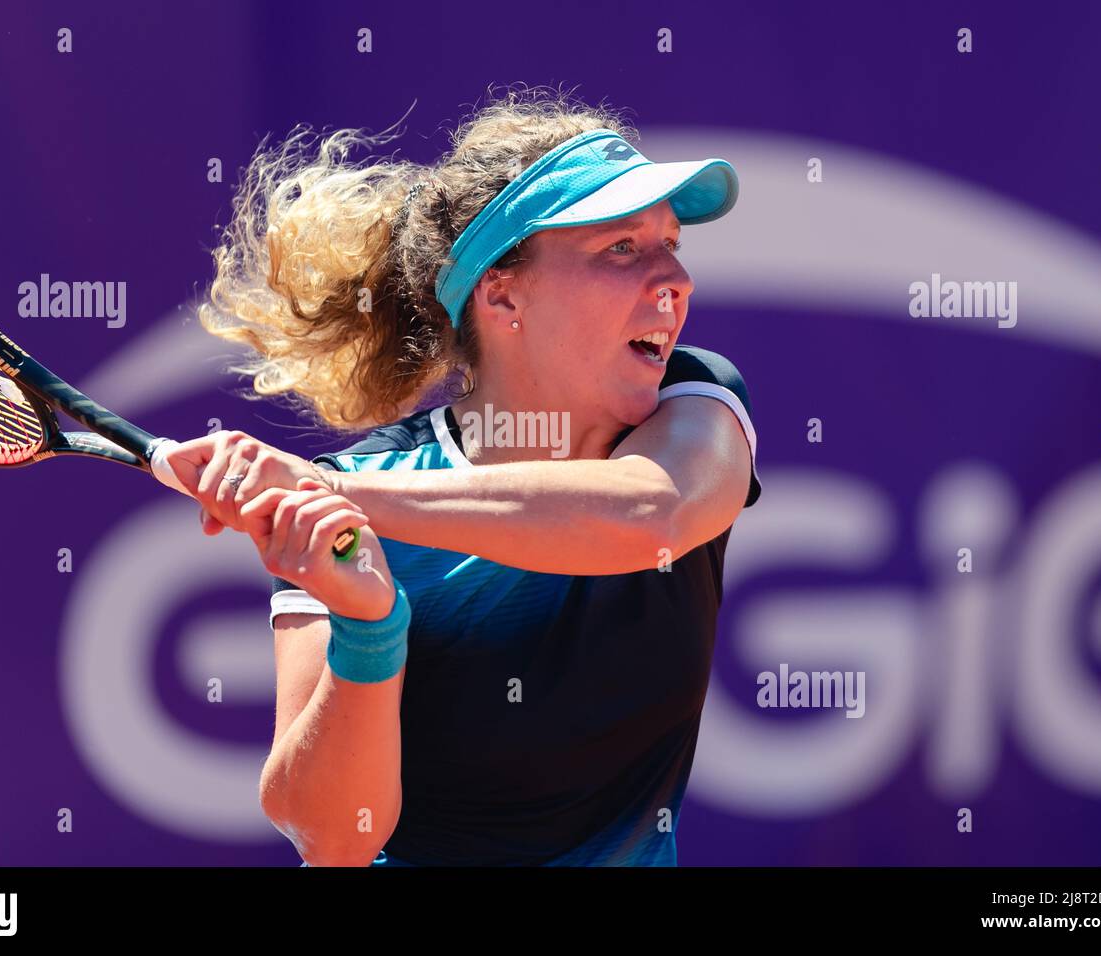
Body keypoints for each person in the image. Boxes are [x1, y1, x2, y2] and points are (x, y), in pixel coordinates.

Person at [163, 88, 762, 866]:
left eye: (671, 244)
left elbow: (655, 514)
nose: (674, 278)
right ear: (503, 293)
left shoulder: (696, 400)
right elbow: (332, 835)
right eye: (622, 248)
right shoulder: (361, 483)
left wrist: (339, 498)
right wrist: (369, 631)